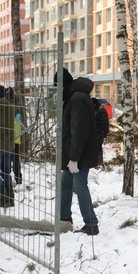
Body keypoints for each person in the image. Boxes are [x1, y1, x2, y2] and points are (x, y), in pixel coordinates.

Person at [55, 68, 100, 235]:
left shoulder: (77, 99)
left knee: (80, 185)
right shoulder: (74, 96)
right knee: (65, 183)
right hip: (75, 153)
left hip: (80, 154)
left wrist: (74, 158)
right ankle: (64, 218)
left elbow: (79, 131)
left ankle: (91, 223)